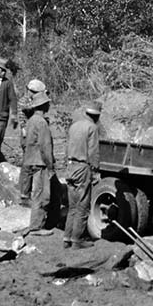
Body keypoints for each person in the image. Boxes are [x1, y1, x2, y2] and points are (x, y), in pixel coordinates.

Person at [64, 100, 102, 249]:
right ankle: (77, 239)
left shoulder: (74, 126)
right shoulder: (92, 128)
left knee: (72, 206)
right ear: (97, 116)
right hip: (82, 167)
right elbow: (93, 152)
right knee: (83, 205)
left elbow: (67, 147)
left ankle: (67, 238)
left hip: (70, 166)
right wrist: (96, 170)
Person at [22, 90, 55, 234]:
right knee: (41, 195)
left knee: (37, 193)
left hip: (30, 160)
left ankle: (38, 224)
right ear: (44, 105)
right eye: (47, 103)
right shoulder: (42, 123)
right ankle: (36, 227)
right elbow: (45, 146)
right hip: (40, 162)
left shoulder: (31, 121)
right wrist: (51, 165)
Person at [13, 78, 47, 206]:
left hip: (32, 135)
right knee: (28, 164)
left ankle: (28, 191)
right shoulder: (25, 102)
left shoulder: (30, 101)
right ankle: (24, 194)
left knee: (32, 163)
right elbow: (31, 110)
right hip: (27, 136)